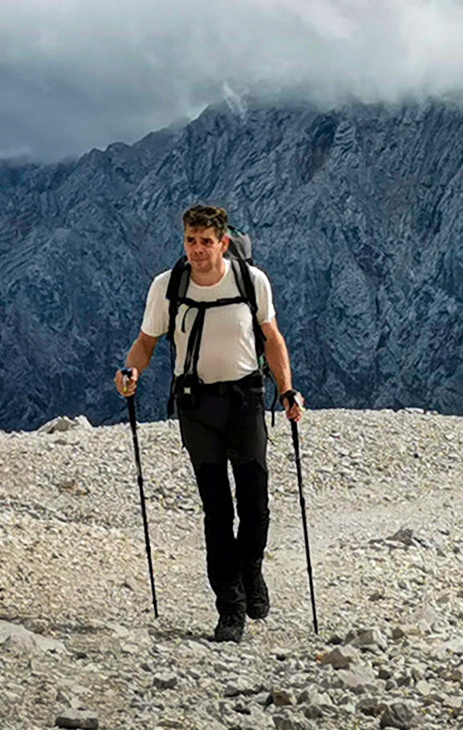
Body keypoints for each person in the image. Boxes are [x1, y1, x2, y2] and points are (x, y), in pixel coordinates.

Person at [118, 204, 304, 642]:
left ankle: (251, 569)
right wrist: (131, 373)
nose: (197, 250)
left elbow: (272, 338)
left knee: (255, 501)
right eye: (190, 241)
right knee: (217, 509)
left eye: (205, 242)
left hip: (246, 398)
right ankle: (230, 609)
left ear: (223, 242)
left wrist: (287, 390)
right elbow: (145, 343)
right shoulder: (168, 286)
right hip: (196, 404)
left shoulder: (250, 281)